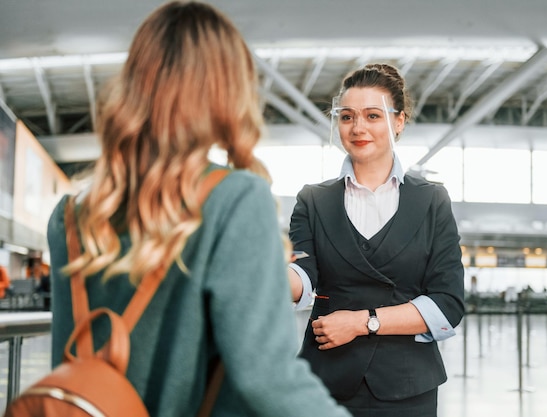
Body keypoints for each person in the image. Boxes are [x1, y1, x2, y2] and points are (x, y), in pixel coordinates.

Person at [46, 2, 351, 417]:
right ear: (225, 90)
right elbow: (269, 379)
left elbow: (69, 366)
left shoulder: (71, 214)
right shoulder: (235, 199)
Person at [288, 63, 465, 417]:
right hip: (326, 380)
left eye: (372, 115)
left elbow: (447, 303)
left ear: (398, 122)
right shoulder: (312, 199)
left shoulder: (431, 200)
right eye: (347, 117)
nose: (358, 128)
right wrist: (266, 273)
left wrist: (361, 322)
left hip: (407, 385)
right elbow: (304, 277)